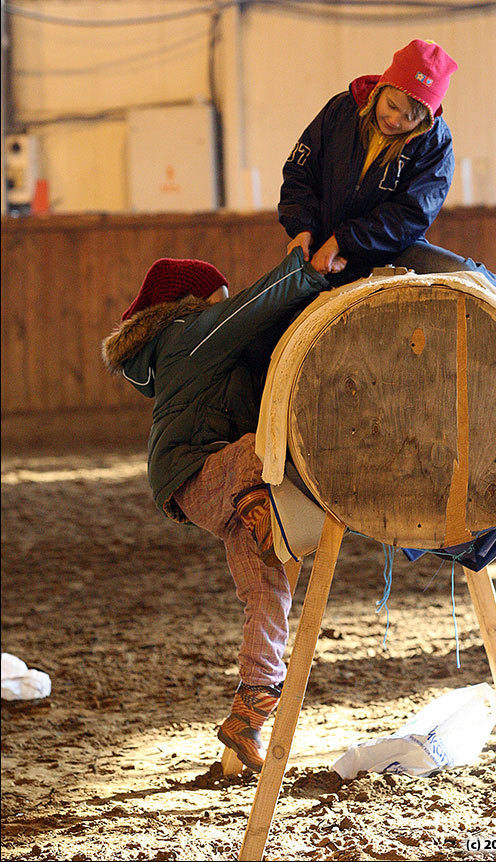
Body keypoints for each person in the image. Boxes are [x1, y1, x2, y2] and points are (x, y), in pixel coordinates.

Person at [102, 249, 330, 770]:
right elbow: (251, 308)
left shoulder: (192, 348)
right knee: (260, 450)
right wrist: (306, 269)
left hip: (210, 487)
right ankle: (264, 512)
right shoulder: (190, 334)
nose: (221, 312)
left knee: (268, 590)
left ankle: (249, 711)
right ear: (190, 304)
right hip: (202, 474)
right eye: (216, 303)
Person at [278, 38, 496, 305]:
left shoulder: (435, 144)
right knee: (262, 329)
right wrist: (303, 230)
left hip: (393, 251)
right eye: (392, 106)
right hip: (318, 250)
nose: (394, 120)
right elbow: (300, 174)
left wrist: (342, 242)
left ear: (425, 120)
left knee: (470, 278)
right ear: (382, 88)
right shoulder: (341, 111)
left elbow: (409, 216)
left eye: (409, 117)